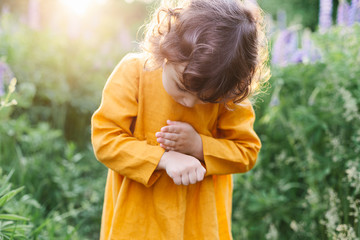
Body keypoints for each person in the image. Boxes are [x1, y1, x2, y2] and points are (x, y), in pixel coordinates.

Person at [91, 0, 270, 239]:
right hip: (137, 223)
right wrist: (163, 159)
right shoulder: (134, 72)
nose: (188, 102)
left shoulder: (227, 93)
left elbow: (246, 152)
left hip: (197, 226)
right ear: (166, 49)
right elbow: (105, 139)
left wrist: (199, 146)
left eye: (205, 99)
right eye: (181, 87)